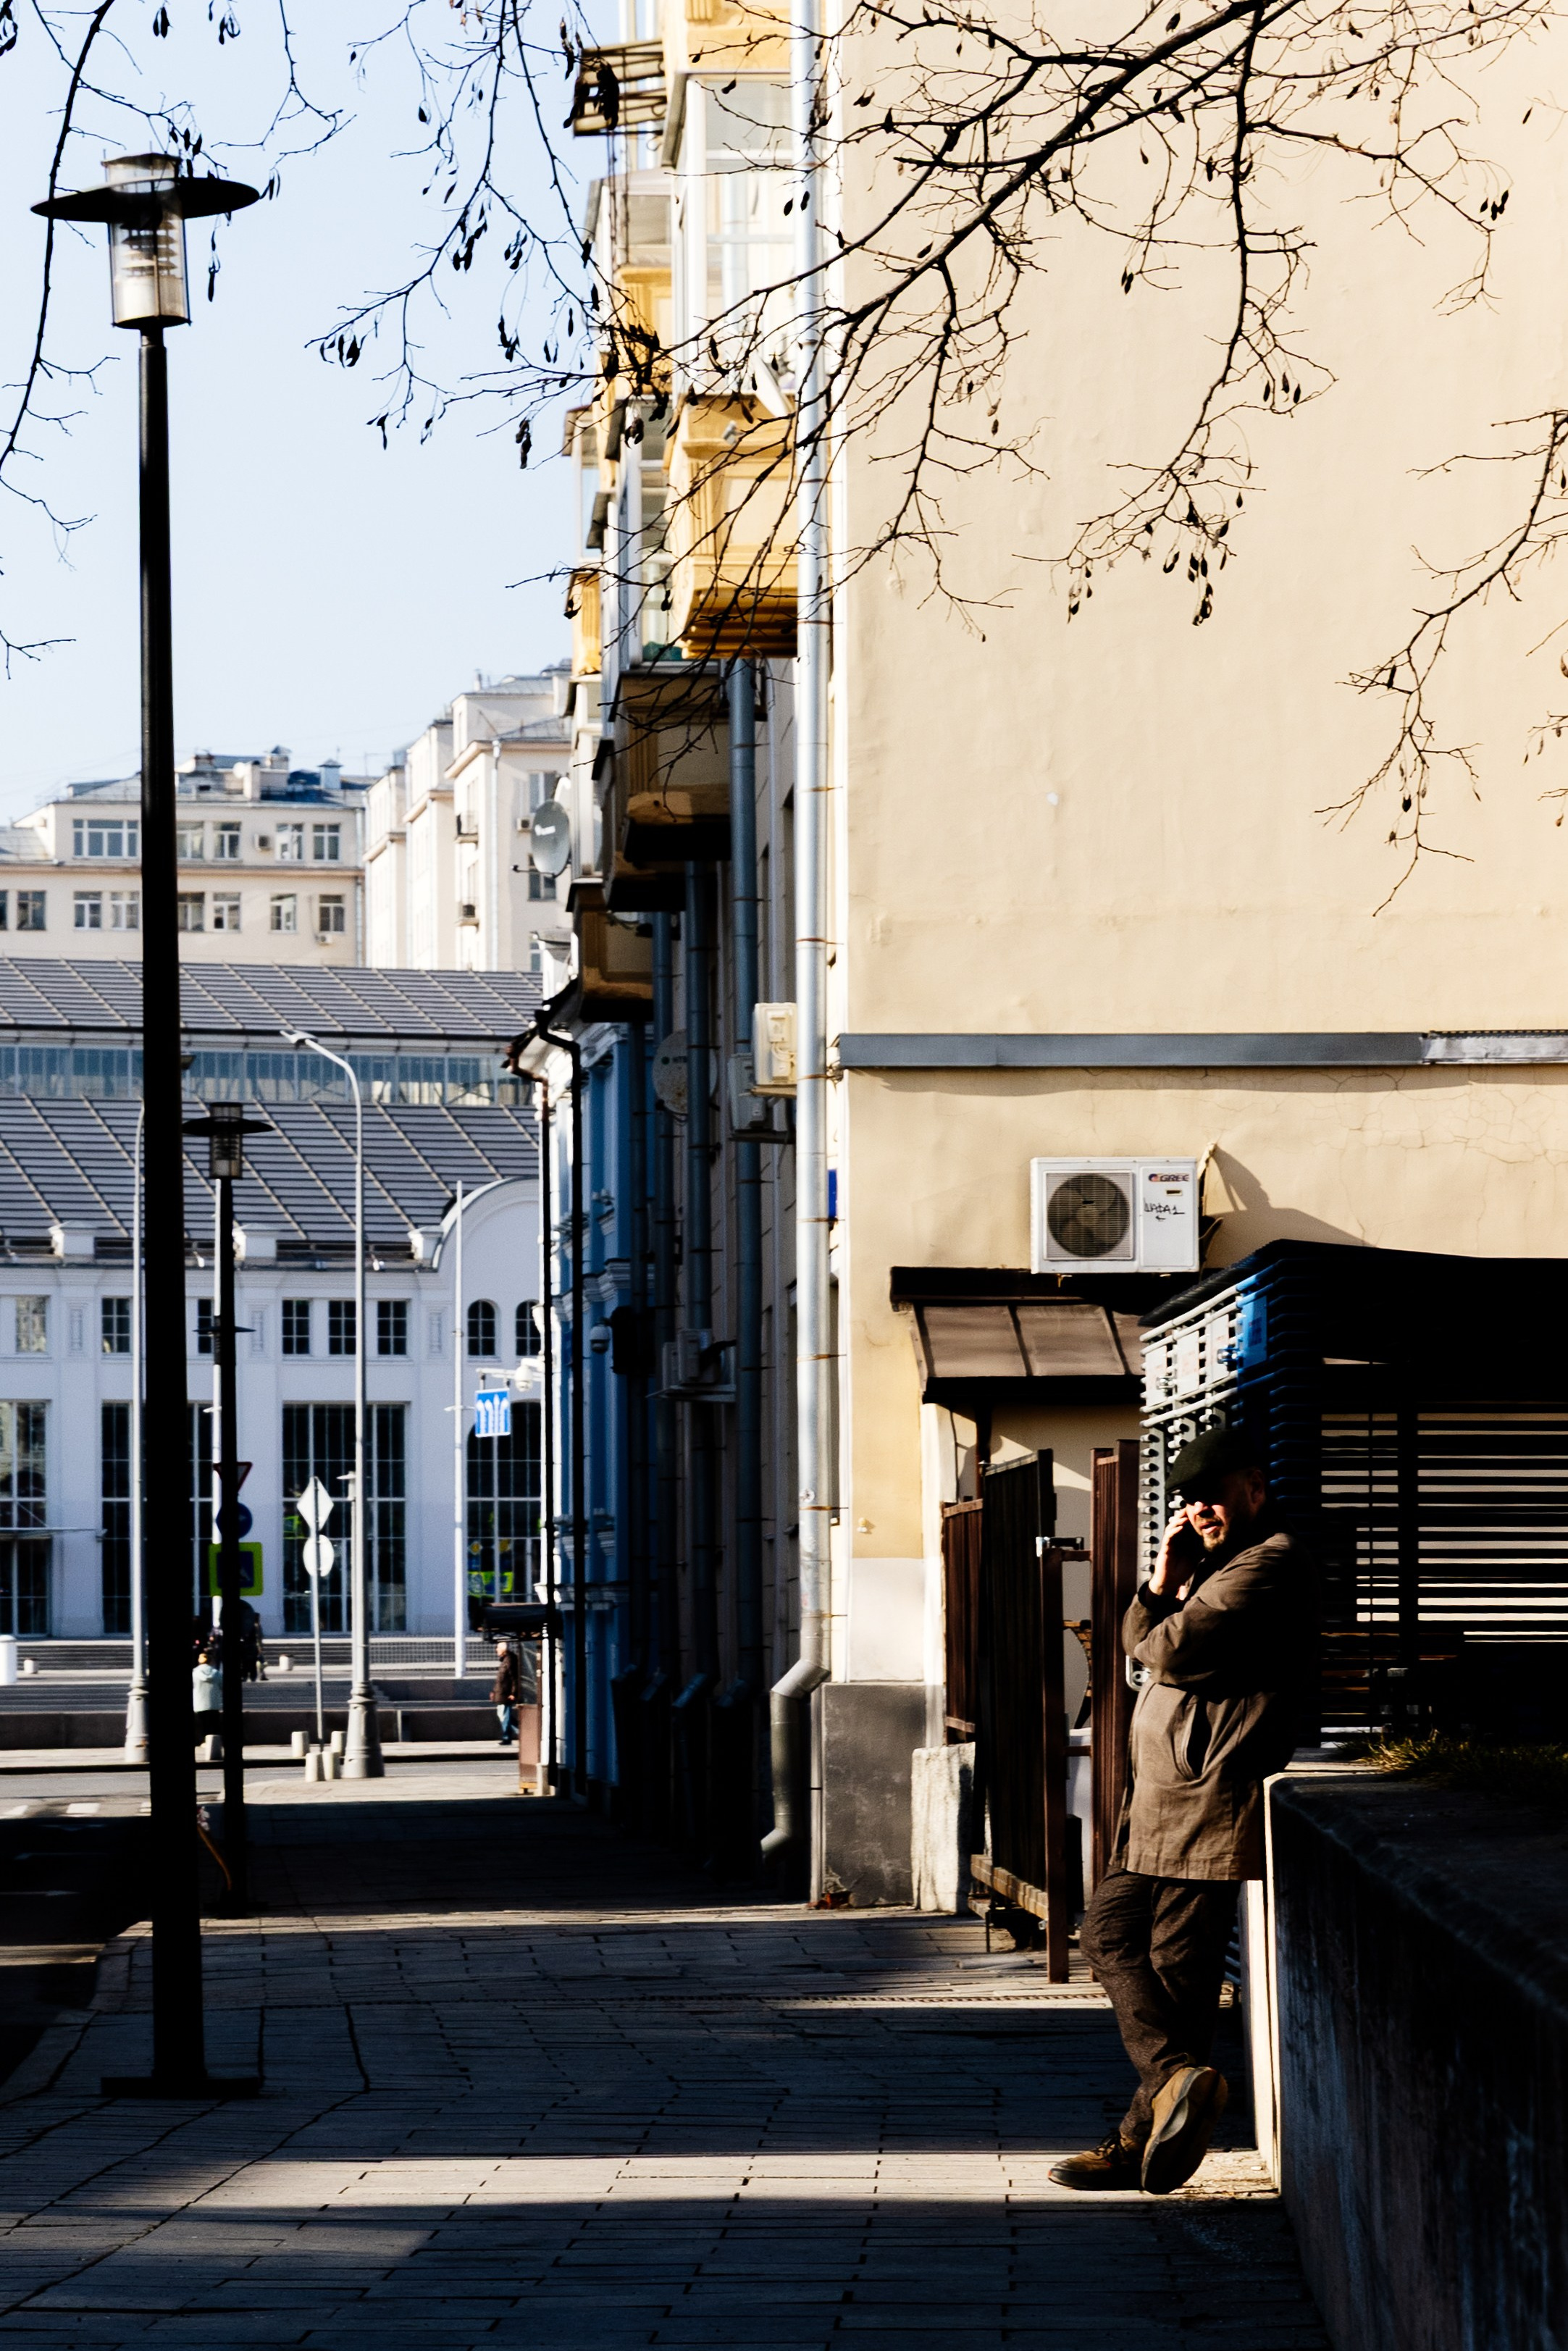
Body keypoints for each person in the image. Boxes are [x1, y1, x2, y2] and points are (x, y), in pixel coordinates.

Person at [1050, 1424, 1317, 2197]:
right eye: (1189, 1501)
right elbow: (1141, 1640)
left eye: (1212, 1497)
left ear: (1254, 1489)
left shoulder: (1268, 1564)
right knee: (1123, 1943)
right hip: (1165, 1800)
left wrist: (1161, 1609)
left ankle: (1148, 2125)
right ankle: (1164, 2102)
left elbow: (1160, 1651)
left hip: (1206, 1797)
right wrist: (1161, 1585)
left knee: (1170, 1968)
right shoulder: (1220, 1565)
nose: (1198, 1512)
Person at [490, 1638, 520, 1746]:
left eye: (498, 1648)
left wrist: (513, 1693)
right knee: (503, 1715)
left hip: (506, 1694)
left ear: (503, 1650)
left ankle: (507, 1737)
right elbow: (500, 1680)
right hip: (501, 1693)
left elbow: (514, 1678)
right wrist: (494, 1692)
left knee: (505, 1716)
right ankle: (521, 1731)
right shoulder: (505, 1660)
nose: (496, 1650)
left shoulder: (509, 1660)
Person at [192, 1650, 222, 1746]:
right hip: (214, 1703)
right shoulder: (216, 1673)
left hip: (199, 1704)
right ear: (210, 1661)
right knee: (214, 1724)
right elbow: (222, 1686)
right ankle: (216, 1742)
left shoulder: (195, 1673)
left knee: (203, 1724)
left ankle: (204, 1742)